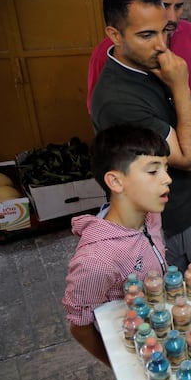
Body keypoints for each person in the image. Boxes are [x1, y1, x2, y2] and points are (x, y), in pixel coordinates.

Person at [91, 0, 191, 270]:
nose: (161, 45)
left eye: (164, 31)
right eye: (147, 34)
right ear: (115, 35)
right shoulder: (117, 99)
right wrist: (180, 87)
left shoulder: (152, 65)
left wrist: (183, 90)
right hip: (169, 224)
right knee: (186, 305)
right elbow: (189, 158)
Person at [86, 0, 191, 166]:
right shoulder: (110, 72)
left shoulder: (189, 35)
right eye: (164, 5)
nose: (173, 18)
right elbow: (187, 158)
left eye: (178, 6)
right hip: (161, 187)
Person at [62, 125, 170, 366]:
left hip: (158, 328)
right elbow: (80, 326)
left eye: (166, 168)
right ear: (115, 182)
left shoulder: (150, 216)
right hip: (135, 348)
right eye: (153, 171)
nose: (167, 178)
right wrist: (118, 366)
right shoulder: (97, 261)